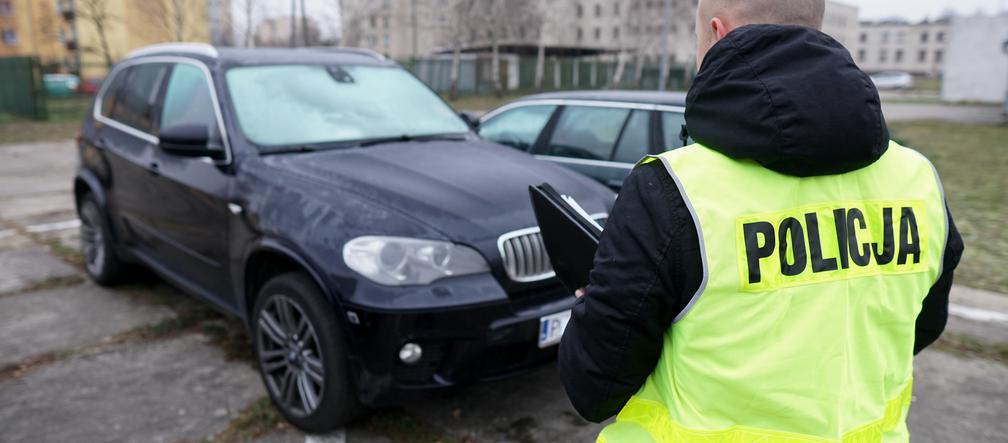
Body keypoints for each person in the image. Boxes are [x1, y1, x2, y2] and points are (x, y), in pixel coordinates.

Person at [557, 0, 965, 441]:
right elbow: (920, 326)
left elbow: (594, 387)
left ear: (716, 32)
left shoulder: (671, 189)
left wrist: (593, 306)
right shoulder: (918, 179)